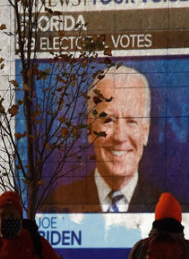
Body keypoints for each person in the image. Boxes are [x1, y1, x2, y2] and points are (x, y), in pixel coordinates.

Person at [42, 65, 163, 213]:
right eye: (108, 120)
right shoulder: (55, 206)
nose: (119, 137)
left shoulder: (170, 210)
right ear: (90, 129)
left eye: (131, 121)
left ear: (145, 131)